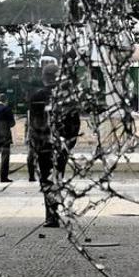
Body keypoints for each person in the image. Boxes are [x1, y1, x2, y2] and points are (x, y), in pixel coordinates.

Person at [28, 64, 80, 228]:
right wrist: (69, 144)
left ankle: (51, 216)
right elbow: (75, 124)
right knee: (57, 177)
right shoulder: (67, 98)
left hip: (44, 146)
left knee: (46, 178)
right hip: (62, 145)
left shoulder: (36, 96)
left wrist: (34, 145)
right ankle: (54, 213)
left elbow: (33, 124)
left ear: (44, 77)